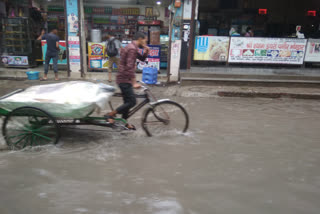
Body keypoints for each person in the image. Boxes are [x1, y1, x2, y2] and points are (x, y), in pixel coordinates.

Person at [105, 32, 150, 130]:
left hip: (124, 78)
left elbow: (141, 59)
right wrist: (134, 82)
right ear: (140, 39)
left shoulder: (132, 47)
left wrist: (146, 51)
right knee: (132, 102)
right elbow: (130, 67)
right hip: (124, 79)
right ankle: (110, 115)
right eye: (145, 40)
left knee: (127, 102)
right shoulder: (132, 49)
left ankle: (124, 123)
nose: (146, 42)